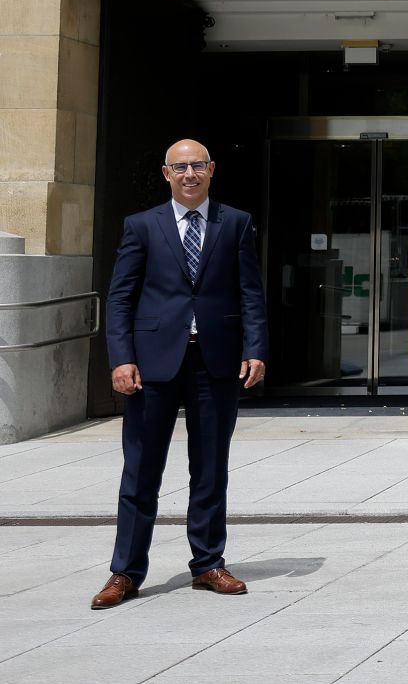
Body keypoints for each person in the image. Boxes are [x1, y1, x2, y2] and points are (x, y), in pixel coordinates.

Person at [92, 139, 267, 610]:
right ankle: (125, 571)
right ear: (166, 174)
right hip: (152, 364)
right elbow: (121, 298)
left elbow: (250, 292)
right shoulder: (141, 226)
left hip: (217, 361)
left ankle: (208, 563)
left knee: (210, 468)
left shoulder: (235, 222)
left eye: (197, 166)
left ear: (212, 170)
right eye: (180, 167)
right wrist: (121, 358)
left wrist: (255, 348)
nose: (190, 174)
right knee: (141, 471)